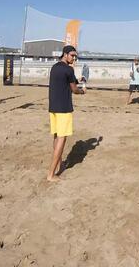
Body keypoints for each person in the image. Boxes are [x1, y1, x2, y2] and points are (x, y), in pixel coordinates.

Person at [47, 45, 86, 182]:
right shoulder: (68, 69)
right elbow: (74, 89)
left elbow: (68, 81)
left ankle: (60, 163)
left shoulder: (55, 67)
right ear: (65, 54)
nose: (74, 58)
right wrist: (82, 91)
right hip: (63, 108)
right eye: (72, 55)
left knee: (57, 136)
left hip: (53, 107)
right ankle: (51, 174)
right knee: (62, 139)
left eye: (75, 56)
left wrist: (77, 79)